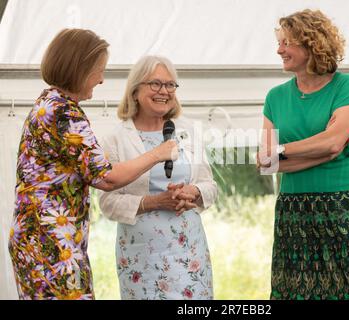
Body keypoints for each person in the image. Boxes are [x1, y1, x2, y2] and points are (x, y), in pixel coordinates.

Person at [8, 29, 177, 300]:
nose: (101, 79)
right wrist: (159, 153)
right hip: (52, 243)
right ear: (79, 69)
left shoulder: (46, 103)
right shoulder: (64, 112)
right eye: (99, 70)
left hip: (37, 238)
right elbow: (106, 178)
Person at [257, 9, 349, 300]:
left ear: (311, 44)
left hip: (341, 206)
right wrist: (324, 151)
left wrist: (284, 151)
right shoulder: (275, 97)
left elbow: (334, 142)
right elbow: (265, 162)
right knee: (296, 290)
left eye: (286, 43)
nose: (279, 50)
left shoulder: (345, 84)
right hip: (293, 209)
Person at [98, 55, 217, 300]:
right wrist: (154, 202)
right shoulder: (115, 139)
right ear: (134, 91)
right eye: (155, 84)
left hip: (189, 250)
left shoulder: (189, 132)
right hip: (142, 256)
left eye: (170, 85)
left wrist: (193, 192)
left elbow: (210, 186)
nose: (164, 91)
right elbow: (107, 203)